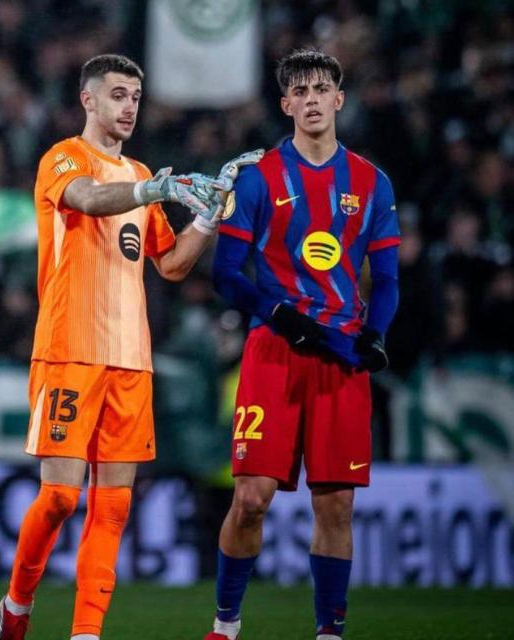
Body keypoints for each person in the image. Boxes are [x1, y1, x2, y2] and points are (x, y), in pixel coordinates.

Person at [0, 53, 261, 640]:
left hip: (131, 360)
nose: (129, 107)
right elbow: (89, 199)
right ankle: (16, 605)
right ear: (87, 99)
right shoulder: (65, 157)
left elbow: (171, 265)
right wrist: (152, 188)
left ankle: (86, 633)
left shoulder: (139, 173)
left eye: (135, 97)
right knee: (60, 497)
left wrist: (208, 218)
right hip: (70, 348)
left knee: (112, 506)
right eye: (117, 95)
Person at [202, 49, 401, 640]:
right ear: (286, 104)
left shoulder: (371, 182)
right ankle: (226, 625)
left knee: (336, 505)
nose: (311, 99)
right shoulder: (259, 177)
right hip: (274, 350)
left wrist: (376, 335)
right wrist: (277, 313)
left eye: (321, 89)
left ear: (339, 98)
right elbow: (225, 273)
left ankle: (328, 632)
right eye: (300, 91)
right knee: (252, 498)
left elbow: (388, 279)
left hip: (341, 357)